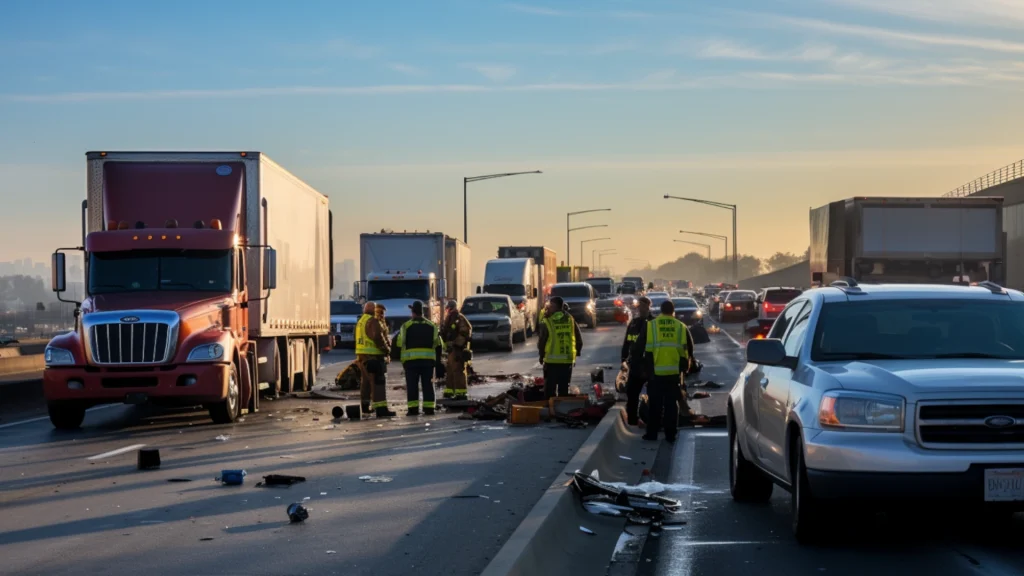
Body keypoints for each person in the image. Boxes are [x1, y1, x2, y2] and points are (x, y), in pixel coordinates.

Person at [642, 299, 692, 443]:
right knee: (671, 405)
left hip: (656, 373)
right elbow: (684, 349)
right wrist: (685, 365)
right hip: (673, 373)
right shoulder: (680, 326)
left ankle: (652, 434)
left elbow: (648, 351)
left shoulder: (652, 325)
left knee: (655, 405)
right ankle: (671, 435)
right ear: (673, 311)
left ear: (661, 311)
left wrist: (647, 370)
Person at [395, 301, 444, 416]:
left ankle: (413, 409)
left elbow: (399, 343)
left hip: (411, 362)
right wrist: (438, 361)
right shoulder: (432, 326)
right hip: (428, 362)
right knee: (428, 385)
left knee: (412, 386)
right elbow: (438, 344)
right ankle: (429, 409)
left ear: (413, 312)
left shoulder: (406, 326)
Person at [355, 301, 396, 418]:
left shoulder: (361, 321)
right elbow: (378, 337)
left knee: (366, 384)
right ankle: (381, 409)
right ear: (373, 310)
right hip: (374, 357)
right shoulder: (373, 321)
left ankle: (365, 407)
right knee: (378, 384)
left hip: (362, 357)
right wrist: (387, 350)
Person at [537, 296, 583, 399]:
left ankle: (550, 410)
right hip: (567, 360)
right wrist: (577, 351)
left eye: (550, 306)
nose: (549, 308)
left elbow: (542, 341)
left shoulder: (548, 321)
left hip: (551, 361)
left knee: (550, 390)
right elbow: (578, 336)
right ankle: (562, 410)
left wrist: (541, 355)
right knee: (564, 389)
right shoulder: (570, 318)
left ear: (555, 306)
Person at [620, 296, 653, 426]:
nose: (639, 308)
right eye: (638, 306)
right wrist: (623, 360)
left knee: (652, 394)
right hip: (635, 364)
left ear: (648, 306)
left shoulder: (653, 322)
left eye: (642, 305)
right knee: (632, 393)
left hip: (649, 364)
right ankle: (632, 420)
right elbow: (627, 343)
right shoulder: (633, 323)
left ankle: (651, 419)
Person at [441, 300, 472, 400]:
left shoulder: (460, 318)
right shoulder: (449, 318)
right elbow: (445, 333)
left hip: (458, 349)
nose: (449, 310)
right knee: (450, 371)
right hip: (450, 350)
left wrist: (455, 344)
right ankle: (450, 391)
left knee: (458, 370)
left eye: (450, 308)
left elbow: (465, 332)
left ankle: (461, 393)